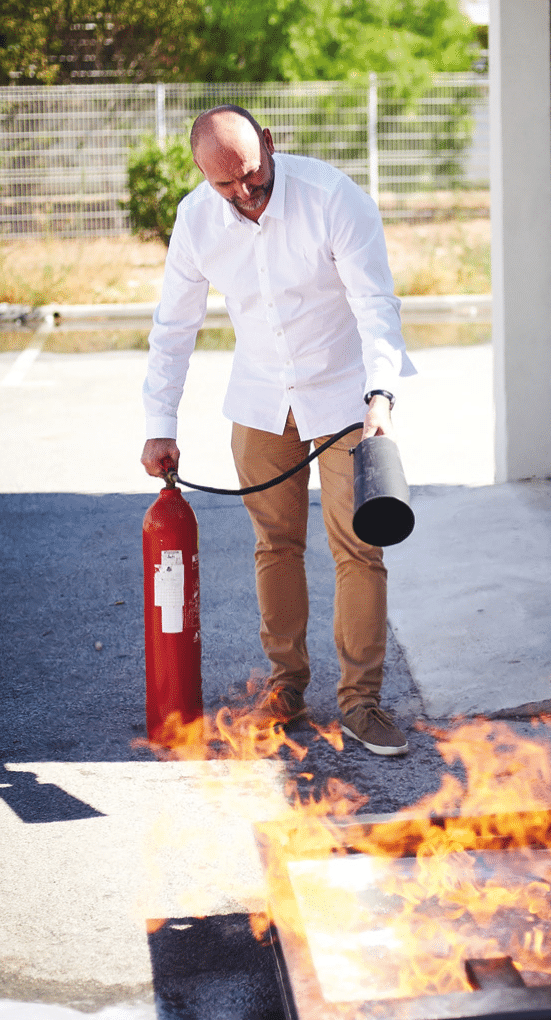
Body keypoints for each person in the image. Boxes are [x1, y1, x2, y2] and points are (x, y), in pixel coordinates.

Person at [141, 105, 415, 756]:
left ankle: (361, 703)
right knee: (275, 545)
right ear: (203, 177)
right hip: (261, 398)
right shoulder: (197, 220)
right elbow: (173, 328)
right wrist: (159, 425)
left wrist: (381, 398)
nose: (244, 194)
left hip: (347, 396)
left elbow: (376, 305)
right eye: (225, 185)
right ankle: (285, 687)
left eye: (252, 176)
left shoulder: (332, 198)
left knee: (358, 549)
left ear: (269, 142)